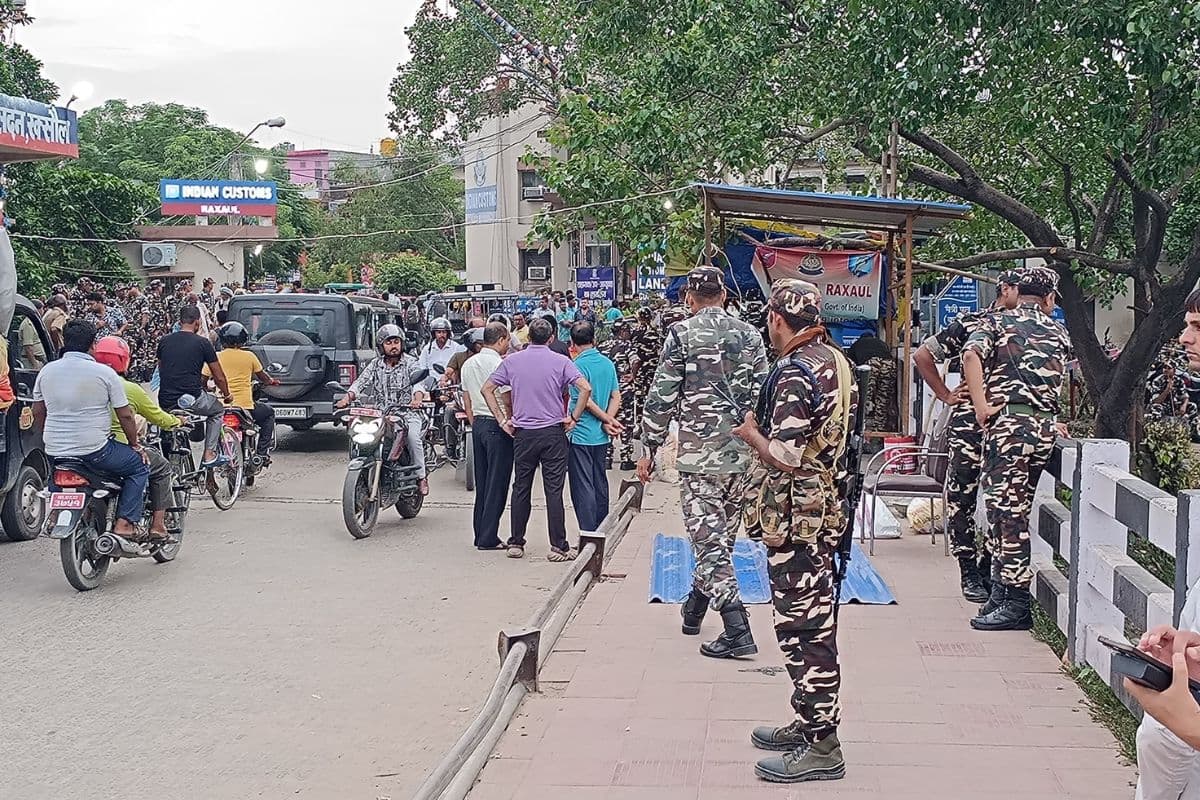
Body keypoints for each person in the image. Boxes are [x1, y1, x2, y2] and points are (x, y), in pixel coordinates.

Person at [730, 280, 856, 783]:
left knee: (804, 628)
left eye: (769, 318)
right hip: (820, 508)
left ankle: (824, 744)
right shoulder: (834, 360)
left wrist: (750, 433)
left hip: (798, 516)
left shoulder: (796, 372)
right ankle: (808, 723)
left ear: (778, 320)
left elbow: (786, 455)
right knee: (809, 621)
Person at [639, 265, 769, 658]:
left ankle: (736, 627)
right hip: (742, 455)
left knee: (709, 542)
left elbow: (662, 395)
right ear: (725, 295)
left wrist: (648, 446)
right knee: (717, 540)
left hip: (699, 457)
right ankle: (694, 609)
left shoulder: (681, 334)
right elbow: (764, 394)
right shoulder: (750, 335)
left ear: (689, 299)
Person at [962, 265, 1071, 631]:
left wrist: (980, 405)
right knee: (1015, 509)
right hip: (1042, 428)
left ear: (1019, 291)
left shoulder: (997, 322)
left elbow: (970, 356)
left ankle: (1015, 602)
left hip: (1008, 427)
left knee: (1005, 514)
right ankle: (1001, 594)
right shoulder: (1059, 331)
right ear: (1049, 298)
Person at [913, 270, 1021, 602]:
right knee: (962, 495)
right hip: (968, 424)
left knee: (1002, 498)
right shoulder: (971, 322)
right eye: (1021, 290)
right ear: (1005, 290)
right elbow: (922, 356)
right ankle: (967, 569)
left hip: (1006, 424)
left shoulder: (1030, 330)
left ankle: (990, 564)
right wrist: (945, 394)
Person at [482, 317, 592, 561]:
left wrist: (502, 419)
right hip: (553, 432)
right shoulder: (561, 361)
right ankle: (559, 546)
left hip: (523, 434)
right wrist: (573, 417)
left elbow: (487, 388)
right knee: (554, 491)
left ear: (528, 337)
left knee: (521, 487)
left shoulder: (512, 361)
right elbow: (585, 388)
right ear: (551, 338)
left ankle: (516, 542)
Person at [32, 321, 150, 539]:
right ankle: (125, 523)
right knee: (138, 467)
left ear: (65, 342)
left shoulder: (46, 371)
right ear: (92, 345)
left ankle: (57, 512)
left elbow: (38, 411)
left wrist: (48, 436)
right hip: (96, 450)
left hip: (55, 449)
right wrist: (134, 444)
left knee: (56, 472)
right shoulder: (104, 374)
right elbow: (125, 415)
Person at [93, 336, 182, 541]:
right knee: (160, 467)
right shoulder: (130, 389)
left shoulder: (88, 383)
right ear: (125, 360)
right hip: (116, 449)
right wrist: (177, 421)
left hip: (83, 448)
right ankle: (158, 526)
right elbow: (158, 417)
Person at [337, 324, 430, 495]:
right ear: (381, 346)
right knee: (358, 434)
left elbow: (418, 384)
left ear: (402, 343)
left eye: (396, 342)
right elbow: (360, 382)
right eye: (388, 342)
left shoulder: (410, 362)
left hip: (407, 413)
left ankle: (421, 476)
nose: (393, 346)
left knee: (413, 437)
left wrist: (417, 399)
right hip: (382, 414)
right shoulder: (375, 365)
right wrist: (347, 398)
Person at [157, 305, 233, 468]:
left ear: (180, 322)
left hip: (166, 400)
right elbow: (218, 376)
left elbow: (161, 369)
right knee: (217, 411)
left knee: (167, 426)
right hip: (192, 399)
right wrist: (227, 395)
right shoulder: (203, 343)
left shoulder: (164, 341)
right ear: (197, 322)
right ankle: (209, 454)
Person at [461, 322, 513, 550]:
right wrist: (508, 422)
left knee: (483, 484)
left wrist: (475, 423)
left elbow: (467, 400)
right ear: (501, 339)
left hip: (478, 424)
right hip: (497, 424)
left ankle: (479, 532)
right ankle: (488, 537)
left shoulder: (468, 363)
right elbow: (507, 397)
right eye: (507, 340)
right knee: (497, 483)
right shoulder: (500, 364)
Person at [566, 321, 622, 532]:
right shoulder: (607, 363)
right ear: (594, 340)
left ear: (572, 343)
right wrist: (608, 419)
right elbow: (616, 396)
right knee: (600, 480)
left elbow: (585, 400)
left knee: (583, 485)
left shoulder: (576, 366)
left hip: (581, 433)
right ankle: (602, 527)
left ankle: (588, 532)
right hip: (601, 435)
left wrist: (607, 420)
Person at [208, 322, 280, 463]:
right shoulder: (249, 356)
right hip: (245, 408)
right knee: (268, 413)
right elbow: (263, 377)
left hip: (221, 407)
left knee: (212, 428)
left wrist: (209, 388)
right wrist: (271, 381)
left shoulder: (215, 357)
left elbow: (203, 379)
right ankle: (261, 453)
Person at [599, 318, 638, 470]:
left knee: (608, 420)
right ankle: (626, 458)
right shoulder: (626, 345)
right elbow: (635, 361)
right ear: (622, 332)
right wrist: (632, 375)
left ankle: (607, 458)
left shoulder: (602, 346)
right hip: (624, 390)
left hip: (607, 390)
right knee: (626, 424)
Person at [417, 317, 466, 390]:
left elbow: (460, 368)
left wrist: (448, 379)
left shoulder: (456, 347)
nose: (441, 335)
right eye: (439, 332)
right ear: (434, 334)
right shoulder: (427, 349)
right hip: (432, 386)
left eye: (444, 332)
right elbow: (422, 368)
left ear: (448, 333)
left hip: (451, 385)